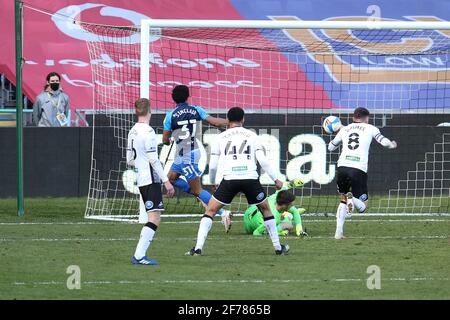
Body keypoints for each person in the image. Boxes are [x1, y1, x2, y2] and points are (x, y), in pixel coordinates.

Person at [186, 107, 289, 256]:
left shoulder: (220, 138)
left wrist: (214, 182)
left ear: (227, 120)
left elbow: (213, 165)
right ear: (243, 119)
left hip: (230, 179)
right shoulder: (252, 136)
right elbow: (263, 161)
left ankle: (198, 248)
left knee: (211, 210)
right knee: (266, 209)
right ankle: (278, 248)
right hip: (250, 179)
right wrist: (276, 179)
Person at [162, 85, 233, 232]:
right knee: (170, 179)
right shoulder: (196, 109)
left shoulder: (170, 115)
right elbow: (214, 122)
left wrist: (169, 140)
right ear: (188, 96)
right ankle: (201, 197)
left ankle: (222, 212)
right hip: (187, 154)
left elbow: (165, 139)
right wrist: (230, 121)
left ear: (172, 98)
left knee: (198, 190)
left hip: (187, 155)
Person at [328, 107, 397, 239]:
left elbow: (330, 147)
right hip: (358, 169)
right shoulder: (371, 128)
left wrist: (338, 132)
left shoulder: (344, 129)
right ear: (366, 118)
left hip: (342, 167)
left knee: (343, 199)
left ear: (354, 117)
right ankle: (351, 198)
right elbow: (384, 142)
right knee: (363, 207)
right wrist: (392, 145)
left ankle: (338, 233)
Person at [127, 98, 175, 265]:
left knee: (153, 216)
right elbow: (154, 160)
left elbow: (129, 160)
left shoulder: (132, 131)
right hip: (150, 178)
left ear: (136, 111)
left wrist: (141, 162)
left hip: (141, 177)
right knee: (154, 218)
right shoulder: (148, 132)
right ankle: (139, 256)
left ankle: (139, 255)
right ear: (150, 111)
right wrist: (166, 181)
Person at [244, 179, 308, 237]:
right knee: (288, 225)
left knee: (293, 213)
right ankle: (289, 216)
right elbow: (256, 232)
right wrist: (279, 230)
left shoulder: (278, 195)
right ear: (284, 205)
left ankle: (288, 215)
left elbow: (285, 186)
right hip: (250, 227)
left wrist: (299, 230)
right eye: (290, 205)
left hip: (250, 212)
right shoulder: (272, 217)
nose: (292, 206)